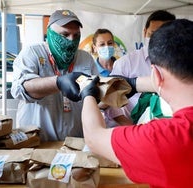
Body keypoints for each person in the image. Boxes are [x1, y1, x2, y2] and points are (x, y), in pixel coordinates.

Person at [80, 19, 193, 188]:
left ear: (155, 73)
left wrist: (87, 93)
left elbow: (93, 137)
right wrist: (133, 84)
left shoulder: (165, 137)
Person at [11, 9, 98, 141]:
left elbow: (97, 96)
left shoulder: (85, 58)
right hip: (38, 143)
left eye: (76, 35)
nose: (71, 40)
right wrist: (58, 82)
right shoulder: (32, 53)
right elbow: (20, 89)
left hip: (75, 143)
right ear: (50, 33)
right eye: (65, 34)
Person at [110, 10, 176, 118]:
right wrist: (128, 126)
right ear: (145, 32)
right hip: (131, 127)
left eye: (164, 35)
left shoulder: (180, 63)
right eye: (153, 34)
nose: (157, 39)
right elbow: (110, 101)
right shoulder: (126, 63)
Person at [92, 28, 132, 127]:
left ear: (114, 45)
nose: (107, 47)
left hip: (129, 118)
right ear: (94, 47)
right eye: (102, 44)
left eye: (110, 43)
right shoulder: (92, 71)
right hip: (104, 125)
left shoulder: (123, 66)